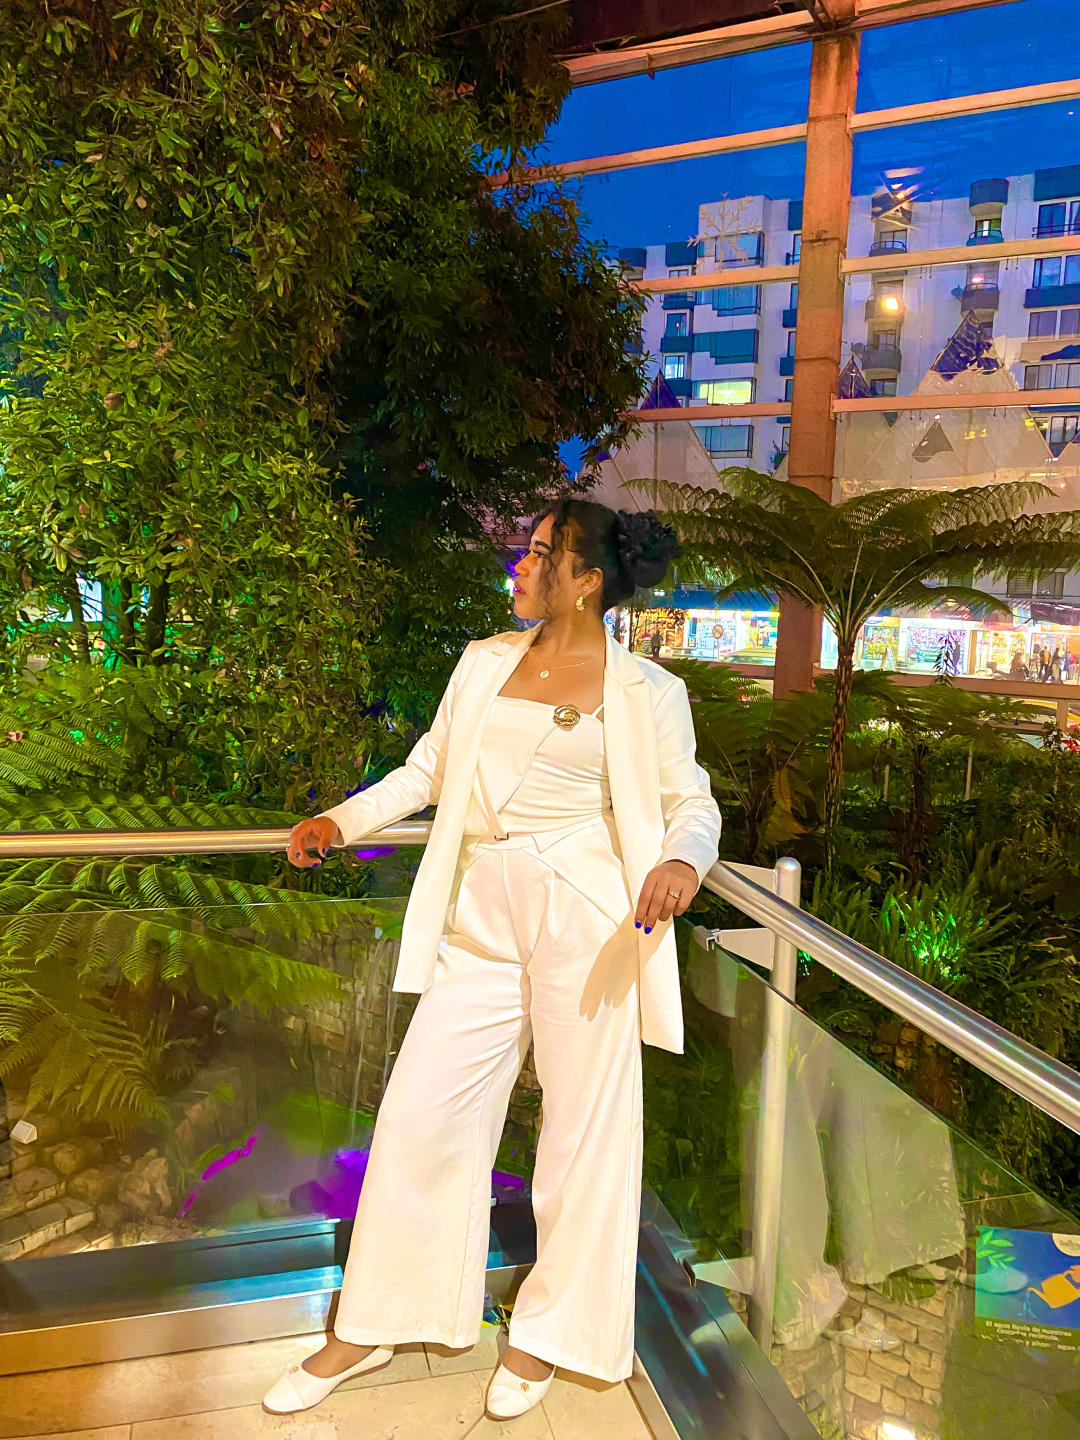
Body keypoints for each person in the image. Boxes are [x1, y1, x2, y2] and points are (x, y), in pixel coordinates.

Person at [263, 500, 722, 1421]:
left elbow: (692, 802)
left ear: (585, 580)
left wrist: (683, 861)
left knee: (583, 1133)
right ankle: (376, 1320)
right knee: (421, 1112)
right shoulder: (483, 660)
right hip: (481, 914)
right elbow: (426, 772)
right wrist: (340, 821)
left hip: (592, 920)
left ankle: (549, 1334)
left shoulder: (648, 690)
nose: (520, 563)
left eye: (540, 552)